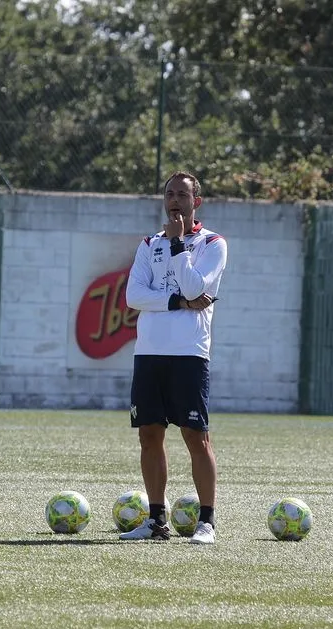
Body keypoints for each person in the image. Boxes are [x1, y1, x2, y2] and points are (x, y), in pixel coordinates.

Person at [121, 170, 227, 545]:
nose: (175, 201)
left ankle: (207, 522)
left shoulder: (213, 244)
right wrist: (179, 303)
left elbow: (198, 286)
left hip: (189, 354)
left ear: (196, 202)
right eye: (170, 194)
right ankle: (155, 520)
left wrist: (180, 245)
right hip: (149, 353)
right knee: (149, 436)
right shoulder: (149, 244)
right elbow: (134, 296)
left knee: (196, 437)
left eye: (183, 194)